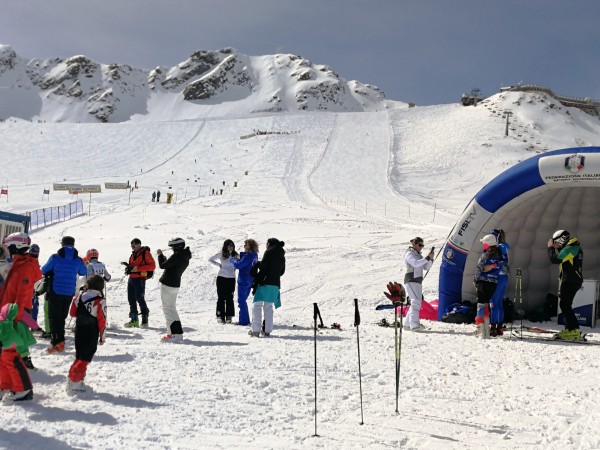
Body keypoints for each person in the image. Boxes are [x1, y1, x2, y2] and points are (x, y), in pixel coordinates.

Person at [0, 233, 41, 371]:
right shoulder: (18, 263)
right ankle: (19, 365)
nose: (8, 250)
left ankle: (19, 371)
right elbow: (9, 288)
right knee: (11, 342)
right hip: (9, 310)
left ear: (16, 247)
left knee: (14, 342)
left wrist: (15, 316)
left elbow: (23, 294)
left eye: (9, 247)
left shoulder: (25, 267)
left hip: (16, 311)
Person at [42, 236, 87, 353]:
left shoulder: (55, 257)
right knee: (62, 317)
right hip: (68, 292)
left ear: (62, 244)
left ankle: (56, 342)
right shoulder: (78, 260)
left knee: (53, 317)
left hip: (55, 290)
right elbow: (83, 271)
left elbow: (44, 270)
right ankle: (60, 341)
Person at [66, 275, 107, 394]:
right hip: (91, 331)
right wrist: (102, 337)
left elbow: (72, 313)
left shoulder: (79, 297)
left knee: (80, 356)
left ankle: (75, 379)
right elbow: (102, 320)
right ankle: (75, 383)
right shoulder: (100, 301)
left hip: (79, 330)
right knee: (85, 358)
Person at [548, 230, 584, 341]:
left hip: (570, 280)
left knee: (565, 305)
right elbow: (564, 256)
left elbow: (554, 259)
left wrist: (550, 248)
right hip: (573, 279)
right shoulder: (573, 247)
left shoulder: (570, 248)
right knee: (566, 305)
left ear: (561, 240)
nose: (555, 244)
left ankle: (573, 330)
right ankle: (571, 330)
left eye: (556, 242)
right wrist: (556, 248)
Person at [156, 238, 192, 342]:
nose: (172, 249)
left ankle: (174, 334)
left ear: (177, 247)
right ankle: (176, 333)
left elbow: (162, 265)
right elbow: (169, 265)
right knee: (172, 308)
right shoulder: (185, 256)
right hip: (175, 284)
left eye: (173, 247)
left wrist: (159, 255)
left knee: (168, 309)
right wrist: (163, 258)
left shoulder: (176, 256)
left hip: (168, 284)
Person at [249, 238, 286, 337]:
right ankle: (267, 331)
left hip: (264, 283)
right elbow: (282, 272)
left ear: (270, 244)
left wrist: (259, 263)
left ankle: (256, 330)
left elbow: (263, 267)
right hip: (275, 285)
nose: (266, 245)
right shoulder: (282, 255)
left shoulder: (268, 252)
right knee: (268, 307)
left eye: (267, 244)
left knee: (257, 305)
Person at [473, 234, 505, 339]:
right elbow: (503, 263)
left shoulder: (486, 255)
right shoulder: (499, 255)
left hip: (483, 282)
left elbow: (479, 267)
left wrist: (476, 280)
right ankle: (486, 329)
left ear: (489, 243)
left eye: (484, 243)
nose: (483, 245)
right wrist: (493, 266)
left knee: (480, 305)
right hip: (493, 283)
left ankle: (480, 329)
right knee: (487, 305)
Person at [0, 304, 34, 402]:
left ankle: (23, 389)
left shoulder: (16, 323)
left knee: (14, 365)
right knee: (3, 365)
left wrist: (24, 353)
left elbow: (22, 340)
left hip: (12, 350)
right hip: (5, 349)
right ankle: (7, 385)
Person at [403, 237, 434, 331]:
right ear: (415, 244)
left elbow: (426, 267)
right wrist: (427, 258)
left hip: (417, 281)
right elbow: (415, 264)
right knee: (415, 302)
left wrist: (430, 259)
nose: (421, 247)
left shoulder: (419, 255)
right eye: (420, 245)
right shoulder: (409, 253)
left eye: (422, 245)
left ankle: (407, 324)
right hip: (411, 280)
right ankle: (414, 325)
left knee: (416, 302)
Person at [124, 238, 156, 328]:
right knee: (131, 299)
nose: (132, 247)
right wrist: (128, 269)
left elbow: (152, 266)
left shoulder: (145, 253)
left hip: (140, 279)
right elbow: (133, 266)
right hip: (132, 278)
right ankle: (134, 320)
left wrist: (138, 269)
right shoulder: (133, 254)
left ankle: (145, 321)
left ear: (138, 245)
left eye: (133, 245)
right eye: (131, 246)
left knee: (140, 298)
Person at [230, 239, 259, 326]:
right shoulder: (254, 255)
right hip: (250, 280)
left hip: (244, 280)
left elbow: (238, 266)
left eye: (245, 245)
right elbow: (245, 263)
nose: (244, 246)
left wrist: (233, 261)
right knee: (243, 300)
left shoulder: (248, 256)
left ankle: (244, 321)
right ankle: (244, 319)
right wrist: (239, 259)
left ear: (250, 246)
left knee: (241, 301)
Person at [208, 240, 238, 323]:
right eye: (229, 245)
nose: (231, 247)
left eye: (232, 245)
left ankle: (229, 316)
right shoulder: (221, 254)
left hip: (231, 278)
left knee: (230, 298)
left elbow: (241, 262)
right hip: (221, 277)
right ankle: (220, 316)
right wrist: (219, 265)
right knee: (221, 297)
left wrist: (236, 266)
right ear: (225, 246)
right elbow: (210, 259)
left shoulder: (235, 255)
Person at [489, 229, 510, 336]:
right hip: (502, 277)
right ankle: (499, 326)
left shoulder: (500, 247)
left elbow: (504, 261)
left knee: (493, 302)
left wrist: (492, 266)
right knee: (498, 302)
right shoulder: (502, 246)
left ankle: (493, 326)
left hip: (498, 277)